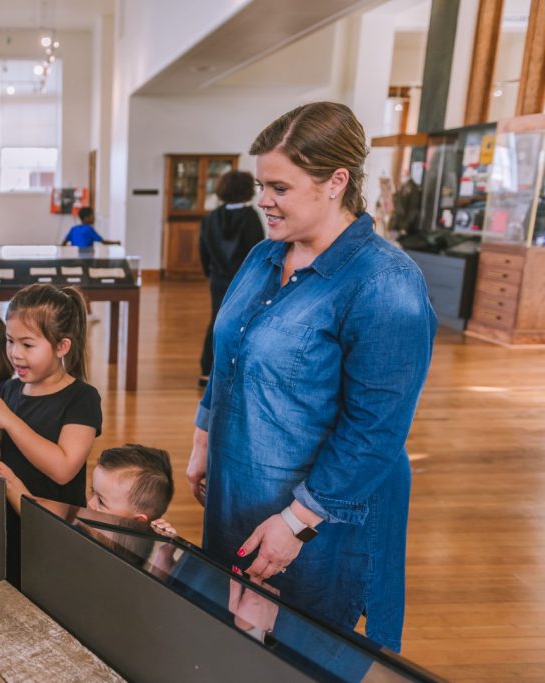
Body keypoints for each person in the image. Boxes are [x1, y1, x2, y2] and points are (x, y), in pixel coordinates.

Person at [185, 101, 437, 652]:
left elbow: (374, 432)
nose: (264, 201)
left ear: (336, 182)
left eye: (279, 187)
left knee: (303, 651)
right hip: (240, 490)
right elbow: (231, 352)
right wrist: (204, 437)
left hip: (318, 518)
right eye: (261, 185)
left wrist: (297, 522)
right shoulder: (263, 254)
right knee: (239, 639)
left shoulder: (385, 284)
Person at [0, 283, 102, 584]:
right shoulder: (13, 389)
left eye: (28, 345)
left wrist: (10, 420)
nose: (15, 354)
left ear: (61, 346)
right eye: (10, 341)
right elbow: (6, 450)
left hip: (51, 528)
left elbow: (64, 469)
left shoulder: (82, 398)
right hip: (11, 517)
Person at [0, 444, 176, 529]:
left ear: (139, 521)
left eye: (101, 501)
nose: (90, 503)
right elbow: (40, 513)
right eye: (93, 492)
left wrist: (166, 548)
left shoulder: (143, 553)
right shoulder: (90, 522)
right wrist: (10, 482)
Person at [198, 171, 265, 388]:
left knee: (217, 320)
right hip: (245, 279)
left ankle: (207, 371)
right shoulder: (251, 216)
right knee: (244, 322)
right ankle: (235, 371)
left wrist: (211, 272)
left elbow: (204, 249)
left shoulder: (211, 217)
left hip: (218, 278)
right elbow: (257, 251)